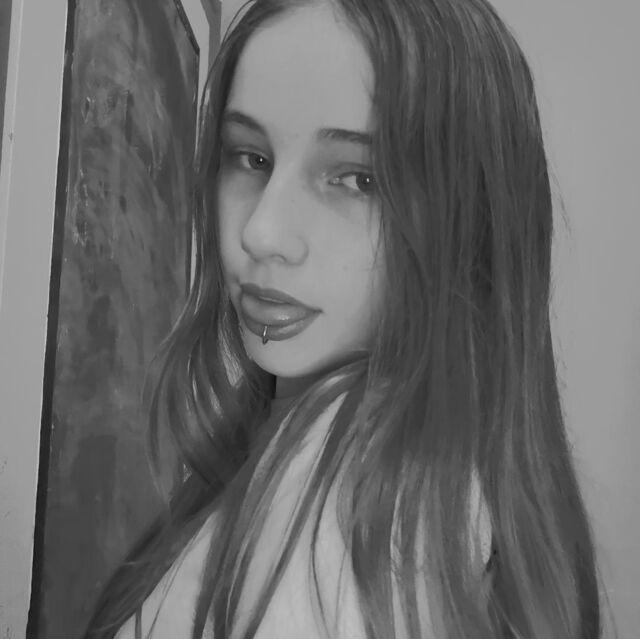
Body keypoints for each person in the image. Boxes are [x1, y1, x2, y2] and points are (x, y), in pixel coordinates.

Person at [84, 0, 602, 637]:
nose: (262, 233)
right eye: (251, 158)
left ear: (471, 220)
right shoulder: (340, 453)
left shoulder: (374, 492)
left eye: (358, 179)